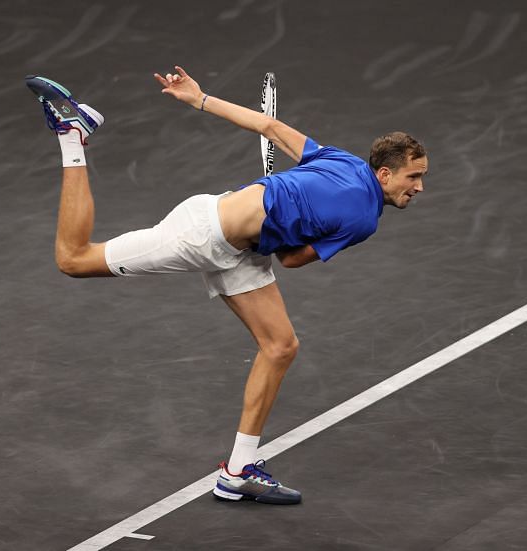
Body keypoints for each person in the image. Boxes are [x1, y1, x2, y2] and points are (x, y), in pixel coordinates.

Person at [25, 66, 427, 505]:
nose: (420, 187)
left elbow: (269, 127)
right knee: (73, 259)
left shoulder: (342, 160)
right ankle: (73, 136)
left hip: (234, 240)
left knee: (280, 346)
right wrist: (284, 218)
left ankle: (237, 472)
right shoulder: (364, 220)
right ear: (385, 175)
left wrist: (200, 98)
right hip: (203, 237)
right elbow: (291, 259)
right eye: (413, 177)